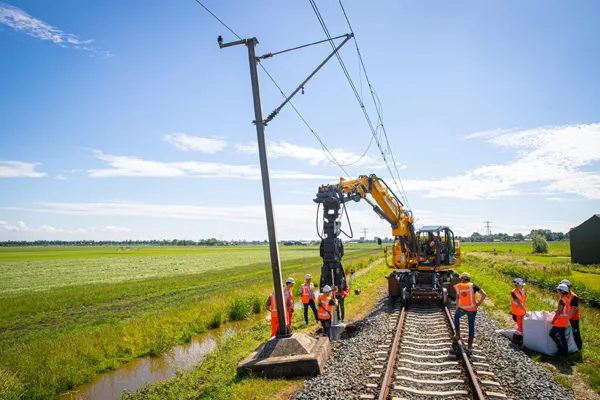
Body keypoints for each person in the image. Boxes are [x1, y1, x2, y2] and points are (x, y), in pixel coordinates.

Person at [453, 272, 487, 357]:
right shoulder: (473, 286)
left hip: (462, 309)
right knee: (471, 326)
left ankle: (457, 335)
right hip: (472, 309)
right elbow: (484, 294)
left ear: (462, 279)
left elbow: (458, 298)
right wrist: (478, 303)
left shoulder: (459, 286)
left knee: (456, 317)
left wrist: (457, 308)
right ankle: (470, 348)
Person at [549, 283, 572, 356]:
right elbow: (564, 310)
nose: (557, 291)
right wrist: (557, 310)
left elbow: (559, 312)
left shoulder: (561, 300)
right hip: (565, 321)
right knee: (562, 337)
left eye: (558, 290)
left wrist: (553, 320)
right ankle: (565, 353)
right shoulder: (567, 300)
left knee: (551, 333)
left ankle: (560, 348)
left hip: (560, 321)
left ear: (562, 291)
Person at [560, 279, 582, 350]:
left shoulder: (574, 297)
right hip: (566, 316)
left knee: (575, 332)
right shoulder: (564, 294)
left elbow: (573, 311)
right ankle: (569, 345)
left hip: (573, 318)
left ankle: (578, 346)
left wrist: (566, 319)